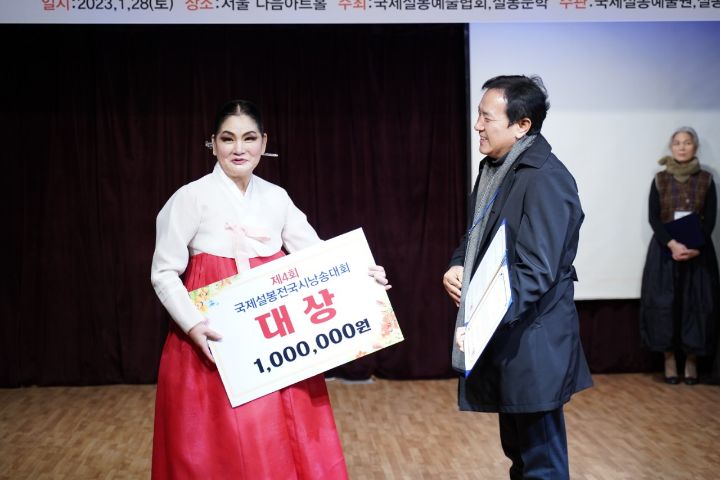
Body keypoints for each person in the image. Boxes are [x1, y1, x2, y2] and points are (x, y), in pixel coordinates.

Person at [150, 99, 390, 479]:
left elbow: (316, 254)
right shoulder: (190, 197)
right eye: (227, 139)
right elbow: (163, 272)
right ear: (213, 143)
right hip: (213, 337)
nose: (239, 148)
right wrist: (194, 326)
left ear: (264, 142)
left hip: (274, 337)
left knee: (281, 432)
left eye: (249, 138)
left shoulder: (276, 197)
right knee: (220, 440)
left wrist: (360, 274)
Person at [442, 75, 592, 480]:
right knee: (520, 456)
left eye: (487, 118)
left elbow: (536, 270)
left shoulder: (545, 177)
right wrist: (458, 263)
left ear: (522, 125)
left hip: (534, 342)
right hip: (510, 338)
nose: (477, 125)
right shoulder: (497, 167)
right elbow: (477, 233)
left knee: (541, 463)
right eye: (478, 115)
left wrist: (480, 318)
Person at [640, 127, 719, 385]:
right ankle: (669, 359)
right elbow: (654, 217)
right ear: (671, 147)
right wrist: (673, 244)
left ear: (695, 147)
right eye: (677, 143)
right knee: (665, 306)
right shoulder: (660, 179)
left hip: (699, 252)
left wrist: (697, 246)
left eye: (687, 143)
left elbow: (711, 217)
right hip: (665, 252)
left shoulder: (706, 179)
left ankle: (692, 361)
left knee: (697, 305)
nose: (682, 147)